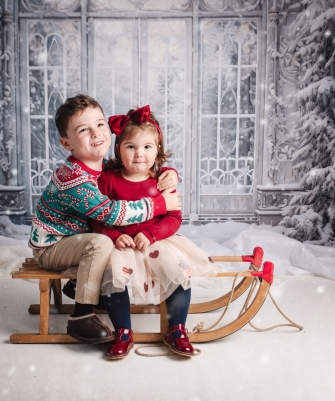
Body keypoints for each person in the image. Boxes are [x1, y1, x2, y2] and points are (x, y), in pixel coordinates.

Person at [29, 95, 181, 345]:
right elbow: (111, 213)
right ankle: (81, 316)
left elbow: (135, 167)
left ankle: (87, 289)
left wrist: (169, 172)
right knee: (101, 244)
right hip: (53, 245)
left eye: (100, 124)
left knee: (111, 245)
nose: (96, 133)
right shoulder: (74, 180)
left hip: (76, 238)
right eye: (83, 130)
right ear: (66, 143)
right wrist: (160, 204)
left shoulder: (99, 165)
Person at [91, 105, 217, 359]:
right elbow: (96, 217)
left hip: (157, 241)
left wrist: (151, 234)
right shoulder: (109, 180)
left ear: (158, 149)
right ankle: (123, 332)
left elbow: (174, 217)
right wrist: (116, 236)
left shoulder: (161, 180)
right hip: (122, 245)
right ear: (119, 149)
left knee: (179, 273)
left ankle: (177, 328)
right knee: (114, 276)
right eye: (131, 147)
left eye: (147, 147)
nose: (139, 154)